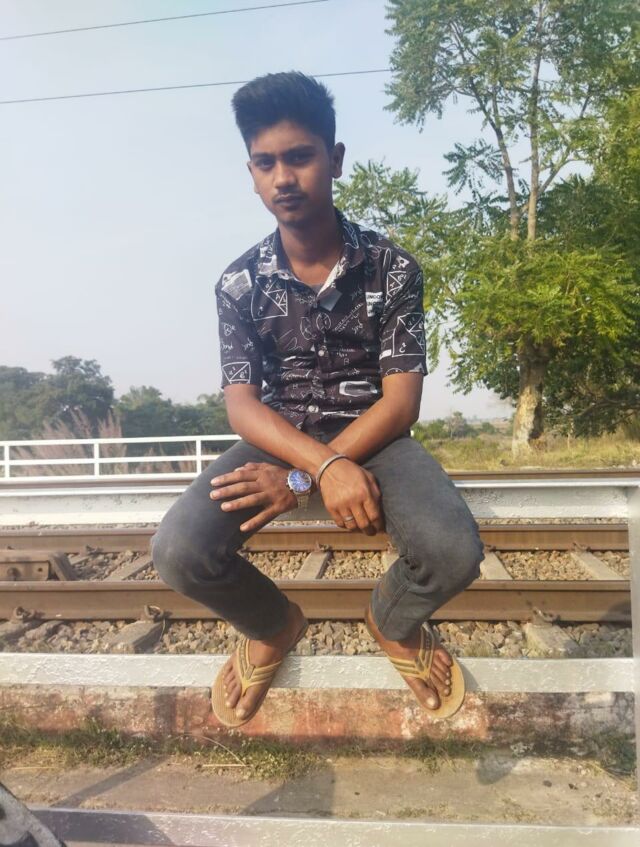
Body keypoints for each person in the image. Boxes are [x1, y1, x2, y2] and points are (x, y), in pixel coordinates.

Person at [152, 71, 484, 727]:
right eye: (265, 162)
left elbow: (401, 403)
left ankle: (391, 619)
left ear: (334, 159)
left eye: (300, 157)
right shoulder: (239, 283)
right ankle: (273, 624)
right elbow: (243, 407)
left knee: (454, 552)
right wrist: (315, 468)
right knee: (179, 551)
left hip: (376, 436)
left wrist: (308, 476)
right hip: (277, 437)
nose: (283, 178)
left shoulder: (393, 268)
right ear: (251, 173)